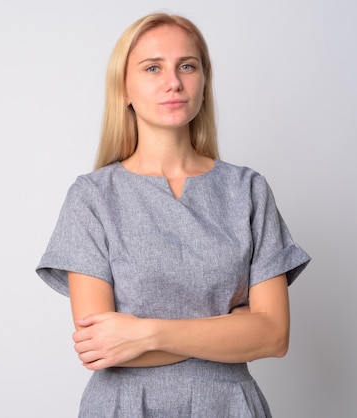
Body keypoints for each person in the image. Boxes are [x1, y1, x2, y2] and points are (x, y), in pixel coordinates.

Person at [36, 12, 311, 417]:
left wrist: (144, 331)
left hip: (228, 407)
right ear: (123, 88)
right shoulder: (93, 197)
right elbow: (102, 347)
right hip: (125, 407)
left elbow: (272, 336)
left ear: (204, 82)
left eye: (187, 65)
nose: (173, 82)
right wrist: (228, 328)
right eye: (152, 67)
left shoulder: (247, 190)